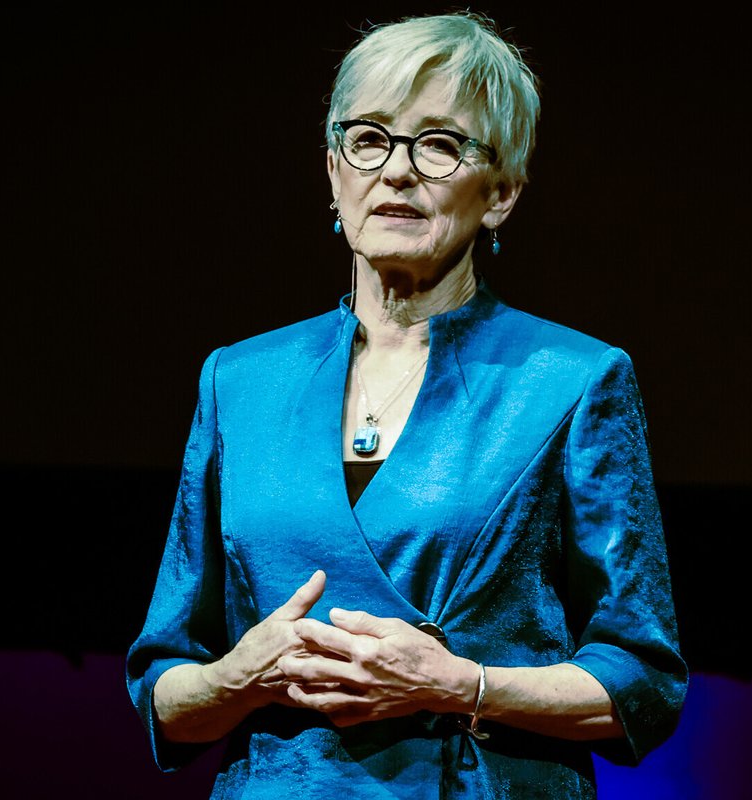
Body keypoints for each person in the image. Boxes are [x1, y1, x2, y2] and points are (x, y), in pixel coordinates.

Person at [126, 11, 686, 798]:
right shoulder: (239, 381)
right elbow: (163, 690)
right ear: (333, 173)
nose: (397, 171)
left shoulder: (570, 379)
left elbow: (644, 682)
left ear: (501, 194)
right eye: (370, 138)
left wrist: (459, 685)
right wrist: (237, 677)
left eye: (439, 144)